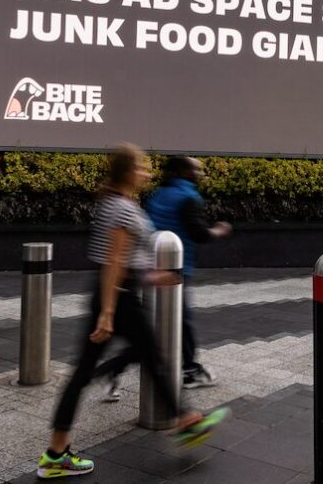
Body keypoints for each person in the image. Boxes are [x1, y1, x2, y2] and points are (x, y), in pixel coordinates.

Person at [36, 143, 205, 479]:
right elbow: (113, 261)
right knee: (152, 357)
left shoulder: (113, 203)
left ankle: (56, 452)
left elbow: (122, 259)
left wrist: (153, 276)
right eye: (142, 167)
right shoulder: (122, 209)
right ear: (128, 172)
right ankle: (184, 418)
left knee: (91, 370)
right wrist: (108, 313)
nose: (147, 172)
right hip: (119, 297)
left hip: (116, 292)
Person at [98, 156, 232, 399]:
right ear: (185, 172)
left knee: (160, 328)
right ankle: (187, 370)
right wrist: (220, 230)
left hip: (151, 268)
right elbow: (199, 234)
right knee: (170, 327)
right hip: (174, 270)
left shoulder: (157, 195)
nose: (200, 173)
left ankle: (184, 368)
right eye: (196, 169)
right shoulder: (189, 198)